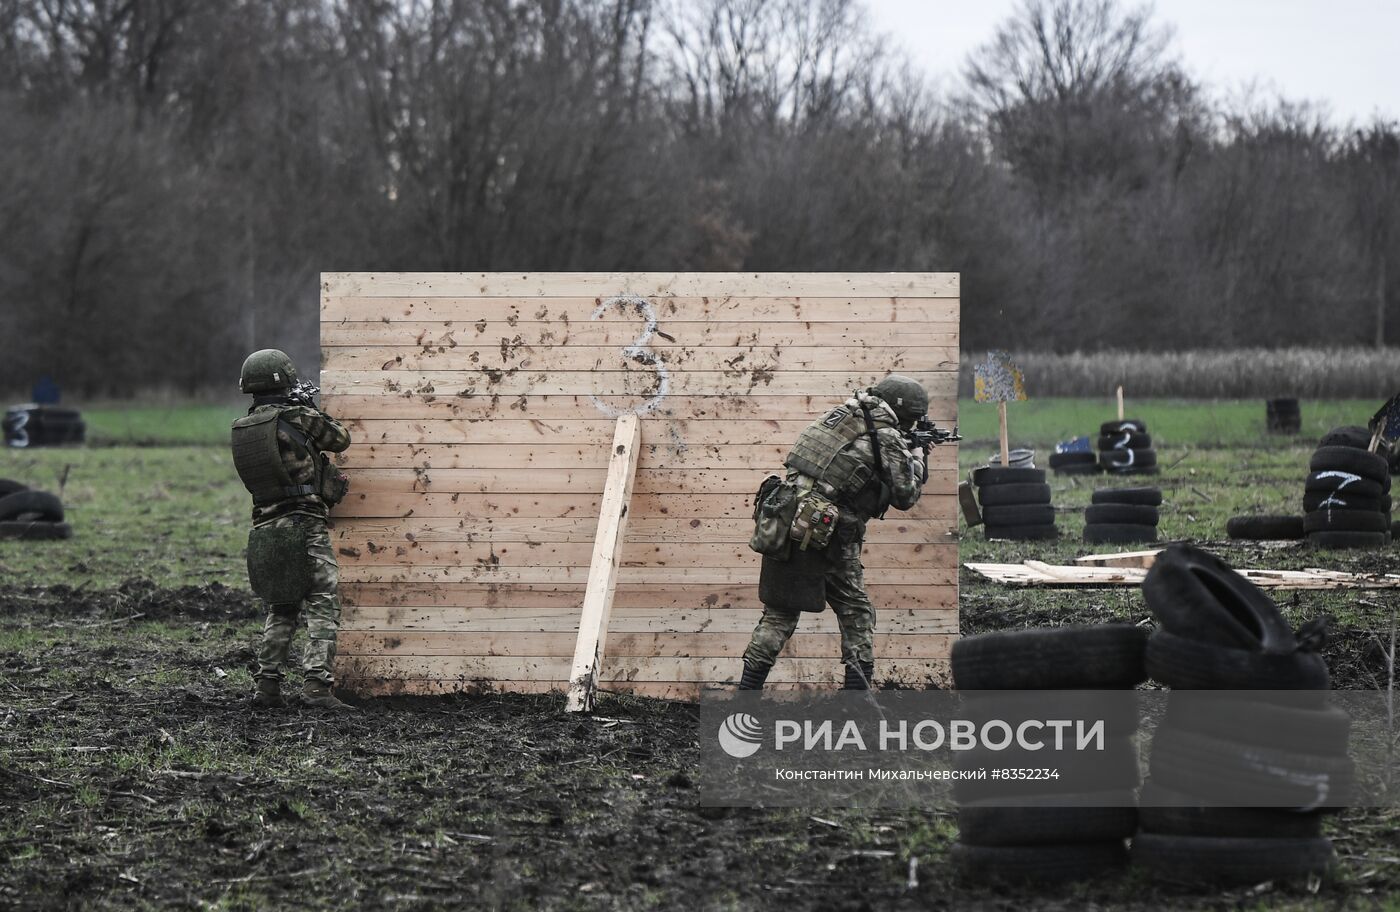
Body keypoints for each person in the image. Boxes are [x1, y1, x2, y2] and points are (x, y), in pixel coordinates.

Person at [740, 374, 931, 691]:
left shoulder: (838, 418)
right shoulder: (885, 436)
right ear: (908, 415)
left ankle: (746, 694)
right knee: (856, 613)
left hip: (784, 521)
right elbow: (906, 496)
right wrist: (918, 459)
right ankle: (856, 701)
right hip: (826, 534)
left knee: (779, 615)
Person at [231, 349, 354, 711]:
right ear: (284, 381)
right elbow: (339, 438)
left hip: (266, 526)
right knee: (322, 601)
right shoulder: (298, 416)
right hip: (304, 524)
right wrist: (312, 408)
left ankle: (267, 686)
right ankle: (317, 687)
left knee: (282, 607)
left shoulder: (244, 427)